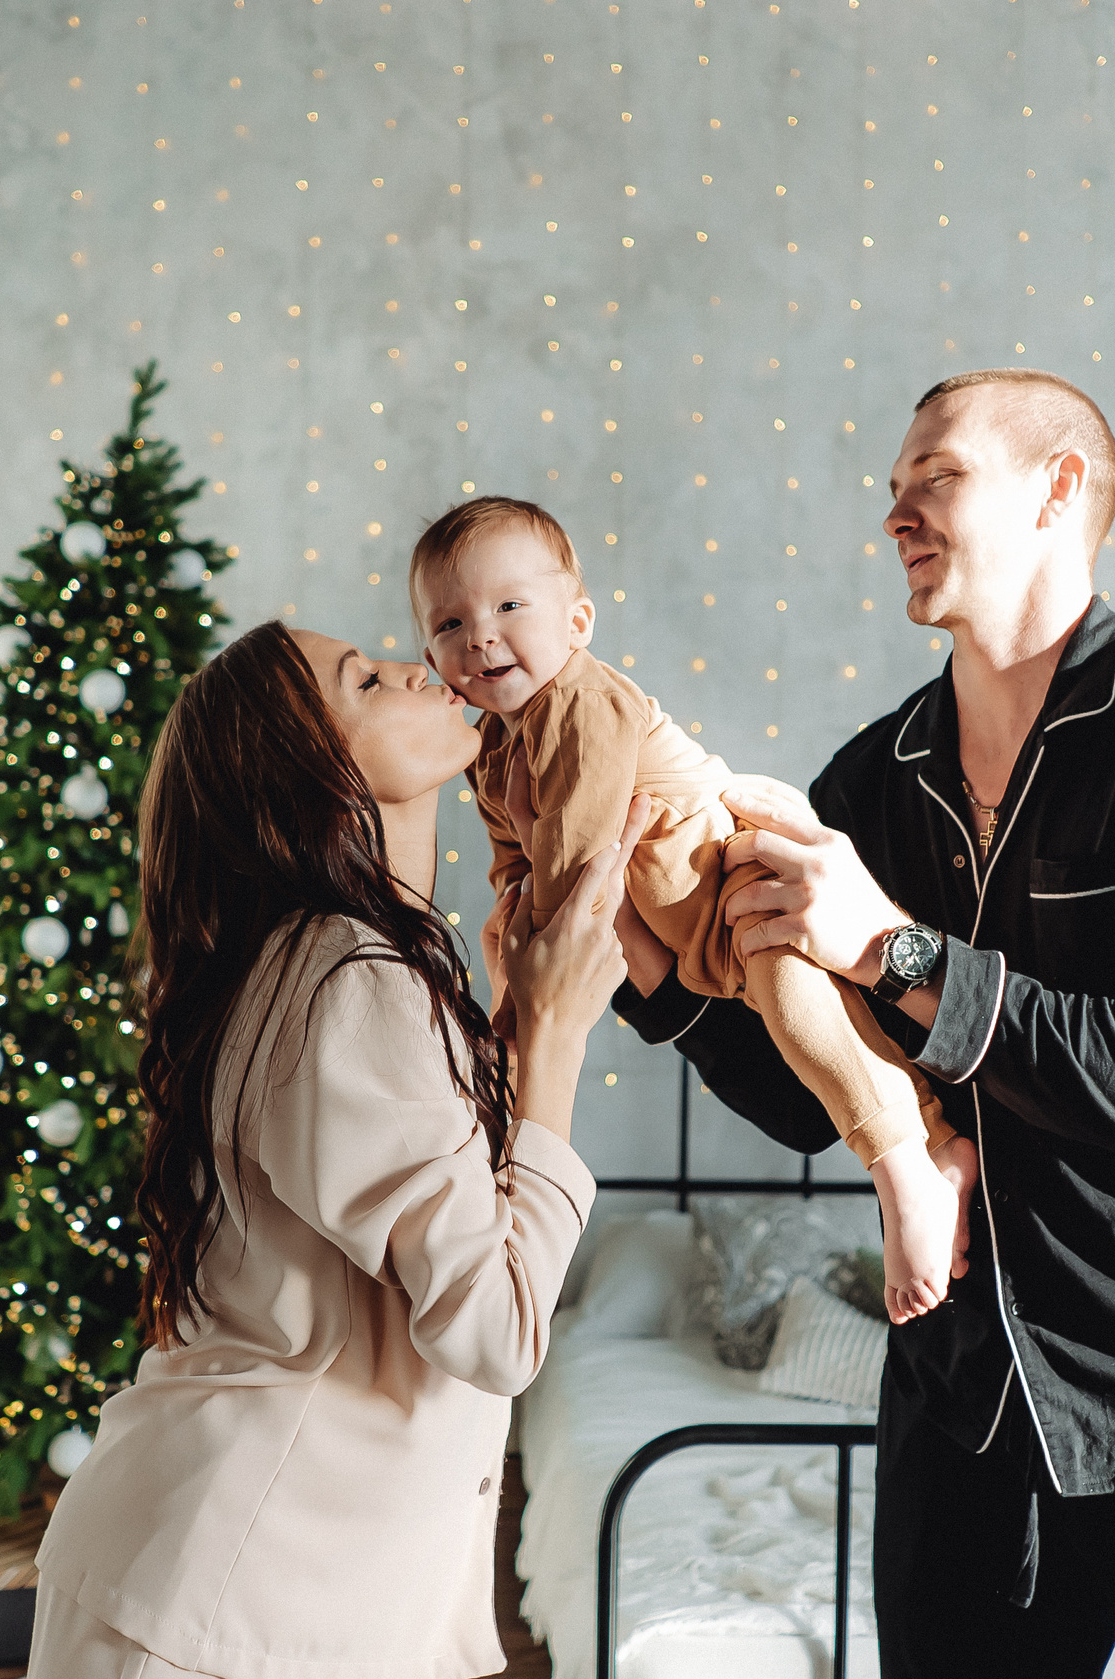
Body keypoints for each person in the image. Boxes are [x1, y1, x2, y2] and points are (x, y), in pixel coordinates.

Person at [611, 371, 1115, 1679]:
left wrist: (895, 948)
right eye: (892, 490)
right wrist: (664, 985)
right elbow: (817, 1102)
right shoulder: (876, 777)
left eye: (938, 478)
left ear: (1060, 491)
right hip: (965, 1427)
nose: (898, 515)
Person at [27, 620, 648, 1679]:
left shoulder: (339, 964)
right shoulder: (348, 975)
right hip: (219, 1598)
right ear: (308, 768)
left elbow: (408, 1228)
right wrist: (554, 1046)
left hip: (227, 1580)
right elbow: (491, 1330)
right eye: (365, 679)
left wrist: (505, 1046)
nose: (421, 668)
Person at [412, 494, 969, 1322]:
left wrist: (544, 968)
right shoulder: (491, 749)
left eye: (507, 606)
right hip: (698, 950)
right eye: (449, 624)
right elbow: (518, 878)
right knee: (830, 1029)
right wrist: (514, 990)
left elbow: (573, 855)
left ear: (578, 622)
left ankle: (902, 1174)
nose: (479, 636)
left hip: (742, 888)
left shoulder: (580, 702)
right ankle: (941, 1139)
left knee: (802, 1007)